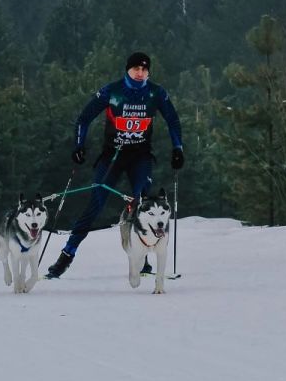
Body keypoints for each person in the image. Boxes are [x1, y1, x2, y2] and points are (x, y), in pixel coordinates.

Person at [46, 52, 185, 278]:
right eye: (136, 69)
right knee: (96, 204)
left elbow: (173, 121)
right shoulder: (112, 90)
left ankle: (143, 260)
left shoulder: (155, 93)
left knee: (142, 203)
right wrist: (78, 145)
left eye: (144, 70)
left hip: (140, 156)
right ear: (128, 70)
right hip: (113, 156)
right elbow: (84, 118)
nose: (140, 73)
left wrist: (178, 148)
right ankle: (66, 256)